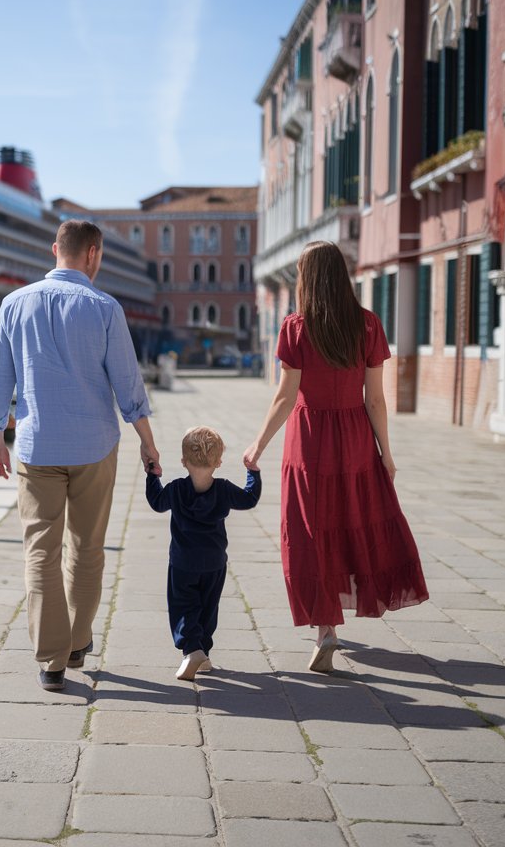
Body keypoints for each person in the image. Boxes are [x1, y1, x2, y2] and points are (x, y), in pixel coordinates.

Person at [0, 219, 161, 691]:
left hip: (37, 446)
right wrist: (147, 440)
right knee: (87, 549)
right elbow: (128, 384)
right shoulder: (105, 308)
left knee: (40, 552)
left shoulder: (13, 305)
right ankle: (78, 641)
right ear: (94, 254)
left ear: (55, 249)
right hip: (95, 447)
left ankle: (51, 662)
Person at [242, 240, 428, 673]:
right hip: (355, 439)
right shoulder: (367, 325)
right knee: (353, 524)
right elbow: (376, 400)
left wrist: (258, 444)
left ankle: (325, 628)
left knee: (311, 531)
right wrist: (385, 452)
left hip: (308, 440)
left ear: (306, 279)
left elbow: (286, 397)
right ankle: (341, 615)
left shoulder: (296, 327)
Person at [146, 426, 261, 681]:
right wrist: (253, 471)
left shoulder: (176, 489)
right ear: (219, 462)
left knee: (184, 605)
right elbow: (249, 498)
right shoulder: (224, 489)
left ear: (184, 461)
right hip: (214, 562)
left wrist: (152, 475)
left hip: (183, 562)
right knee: (209, 607)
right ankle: (203, 652)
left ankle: (192, 649)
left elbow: (156, 502)